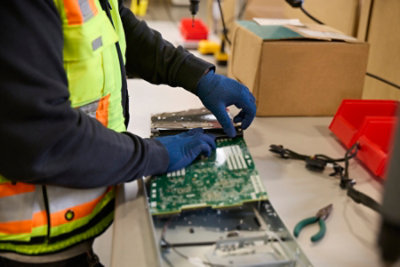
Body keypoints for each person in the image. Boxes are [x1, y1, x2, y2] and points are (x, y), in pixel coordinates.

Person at [0, 0, 256, 266]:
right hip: (21, 243)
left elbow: (115, 27)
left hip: (68, 235)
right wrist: (153, 154)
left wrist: (195, 74)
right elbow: (45, 138)